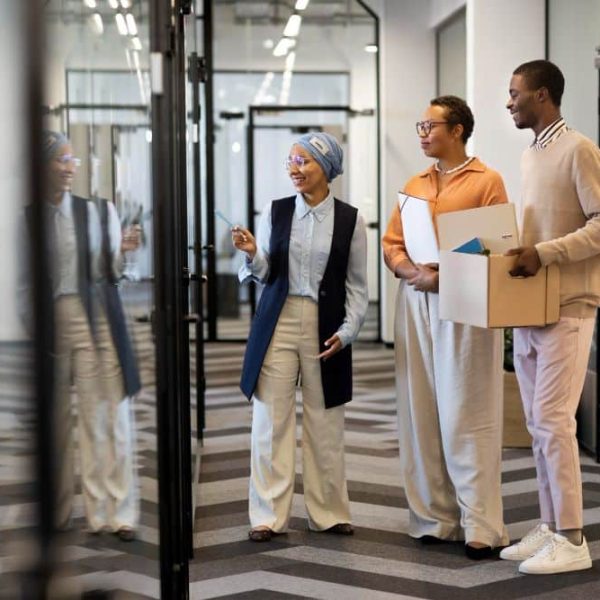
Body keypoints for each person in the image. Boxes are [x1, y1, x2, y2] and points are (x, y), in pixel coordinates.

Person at [382, 96, 509, 559]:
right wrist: (407, 270)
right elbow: (392, 243)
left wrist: (442, 275)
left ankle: (481, 524)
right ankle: (434, 519)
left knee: (467, 410)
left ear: (457, 130)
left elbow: (496, 248)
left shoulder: (487, 181)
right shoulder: (414, 183)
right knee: (421, 407)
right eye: (419, 125)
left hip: (466, 302)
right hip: (414, 298)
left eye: (429, 125)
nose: (421, 133)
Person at [231, 132, 368, 542]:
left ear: (325, 169)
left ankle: (328, 512)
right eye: (291, 161)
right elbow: (264, 273)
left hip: (327, 326)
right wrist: (253, 252)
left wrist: (347, 332)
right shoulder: (276, 212)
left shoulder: (351, 219)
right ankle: (267, 515)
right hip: (279, 319)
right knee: (270, 420)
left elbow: (358, 287)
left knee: (325, 422)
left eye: (303, 161)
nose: (294, 168)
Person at [501, 60, 600, 574]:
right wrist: (524, 249)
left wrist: (546, 252)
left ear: (542, 96)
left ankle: (573, 538)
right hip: (531, 305)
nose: (509, 101)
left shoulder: (579, 148)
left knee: (554, 420)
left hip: (571, 304)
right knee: (539, 424)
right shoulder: (531, 153)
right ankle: (548, 523)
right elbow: (543, 227)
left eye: (515, 93)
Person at [34, 131, 141, 540]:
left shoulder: (98, 212)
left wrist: (124, 252)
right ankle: (65, 510)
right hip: (52, 323)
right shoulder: (28, 217)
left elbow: (111, 274)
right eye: (59, 159)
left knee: (106, 416)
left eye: (71, 160)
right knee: (57, 423)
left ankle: (115, 512)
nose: (67, 167)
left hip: (95, 317)